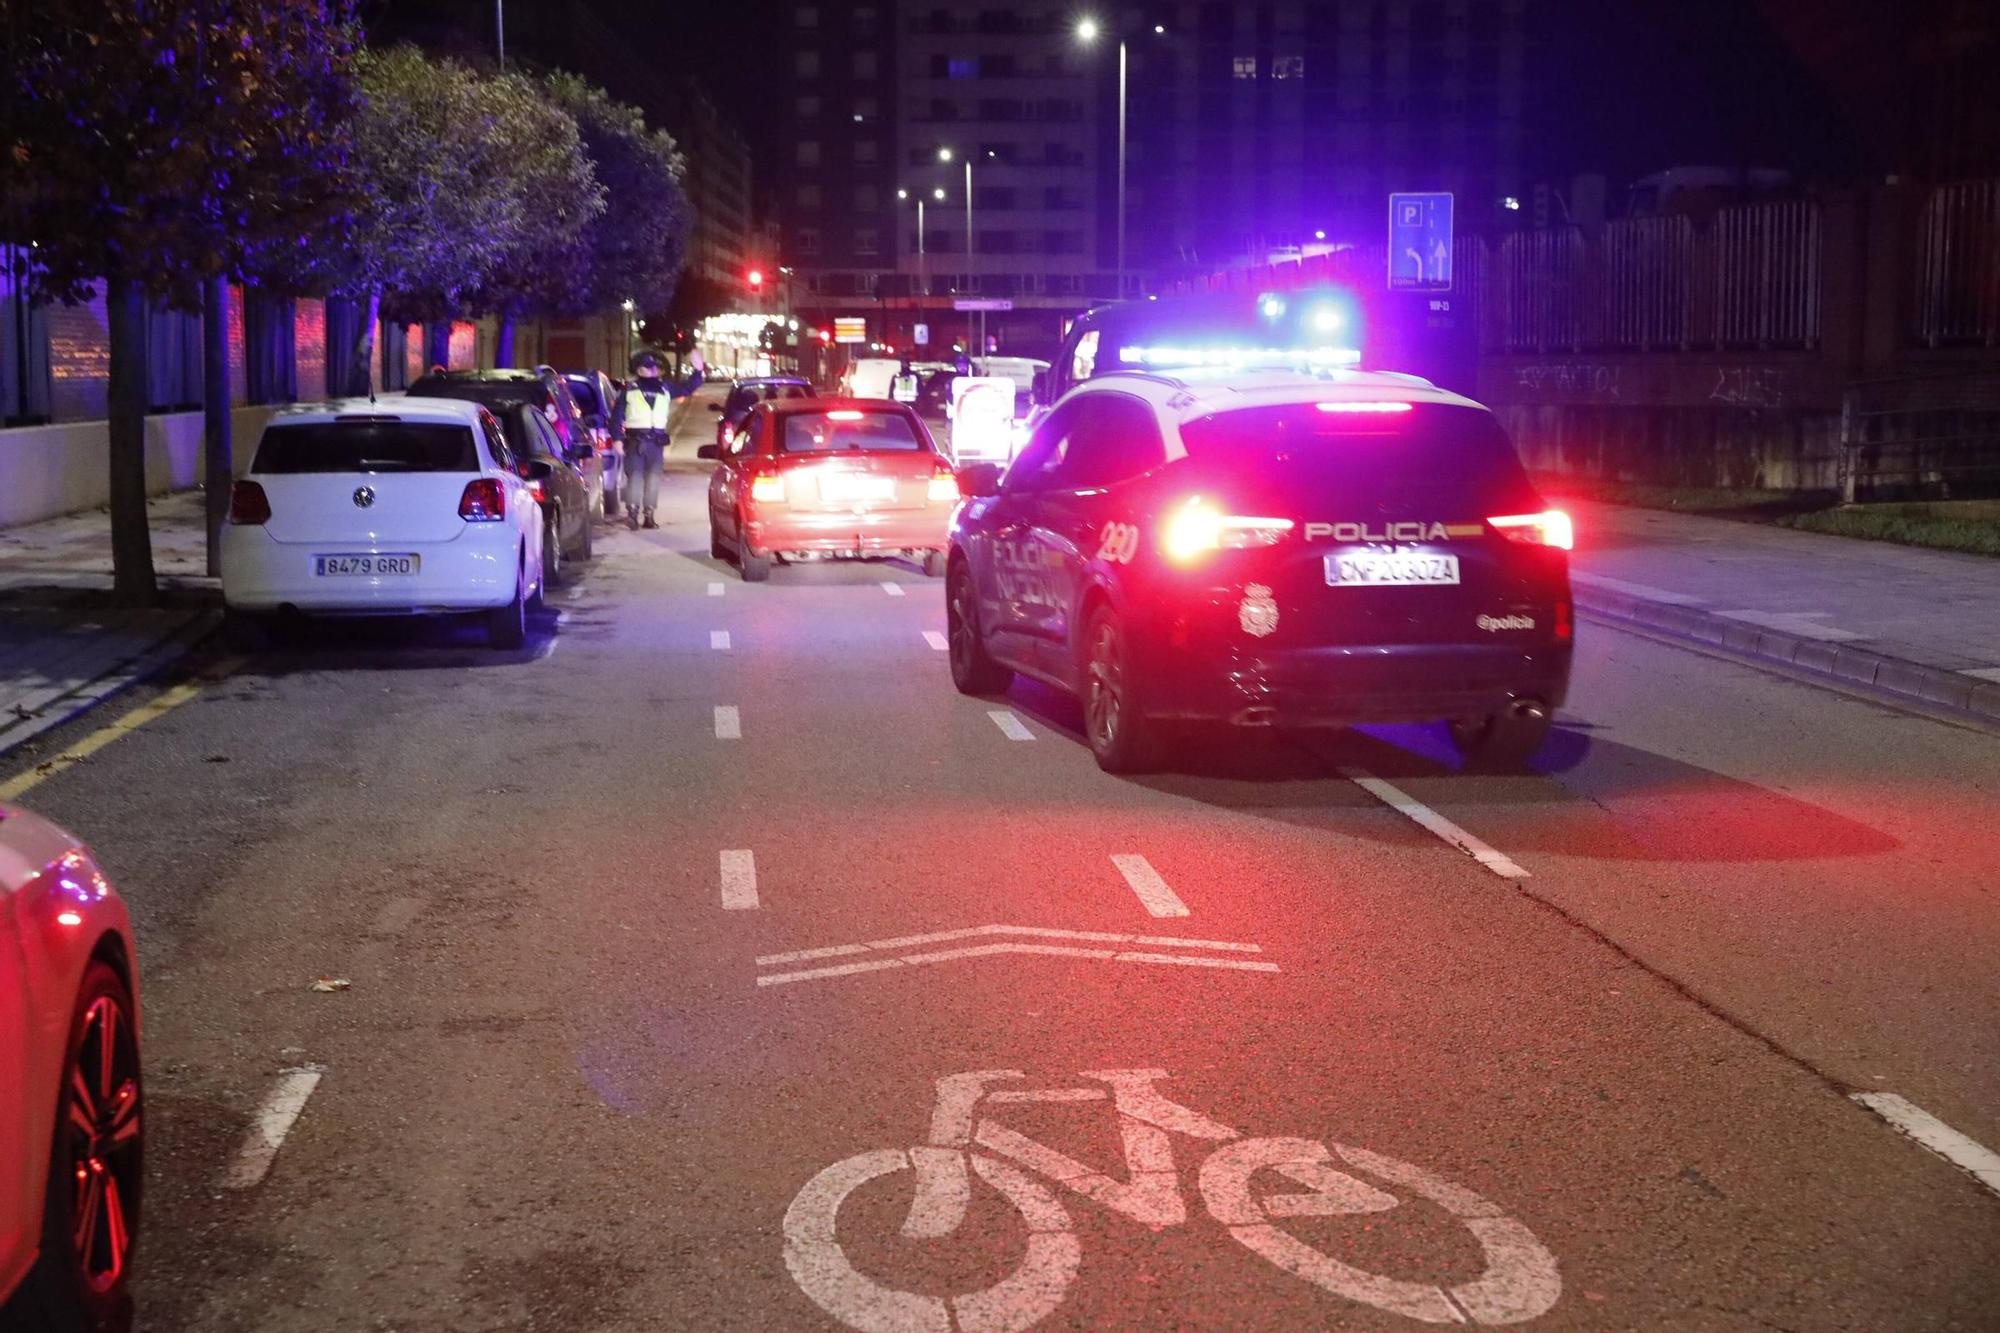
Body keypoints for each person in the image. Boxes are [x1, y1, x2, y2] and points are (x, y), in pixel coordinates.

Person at [610, 348, 704, 530]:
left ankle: (649, 515)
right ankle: (632, 513)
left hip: (656, 442)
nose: (653, 370)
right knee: (635, 477)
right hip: (635, 441)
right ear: (639, 370)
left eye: (654, 367)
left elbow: (688, 387)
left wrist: (698, 370)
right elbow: (617, 416)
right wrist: (617, 439)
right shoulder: (629, 390)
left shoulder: (665, 388)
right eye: (648, 367)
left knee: (653, 478)